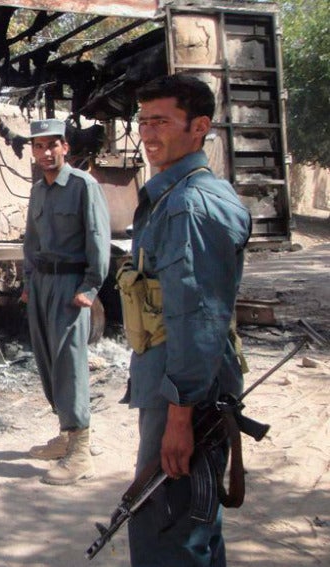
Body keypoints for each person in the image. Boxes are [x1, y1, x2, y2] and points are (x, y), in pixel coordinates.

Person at [125, 74, 251, 566]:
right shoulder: (180, 195)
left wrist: (180, 417)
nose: (148, 133)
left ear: (199, 127)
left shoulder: (189, 205)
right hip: (184, 385)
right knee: (192, 523)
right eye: (143, 121)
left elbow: (195, 315)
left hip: (185, 393)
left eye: (161, 121)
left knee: (168, 529)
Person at [20, 118, 110, 485]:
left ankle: (81, 452)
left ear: (65, 147)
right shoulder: (39, 189)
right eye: (38, 147)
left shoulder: (84, 186)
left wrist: (89, 288)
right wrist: (28, 281)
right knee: (47, 362)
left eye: (51, 145)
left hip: (71, 284)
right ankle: (66, 433)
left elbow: (98, 239)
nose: (44, 153)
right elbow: (31, 239)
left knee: (70, 363)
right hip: (41, 282)